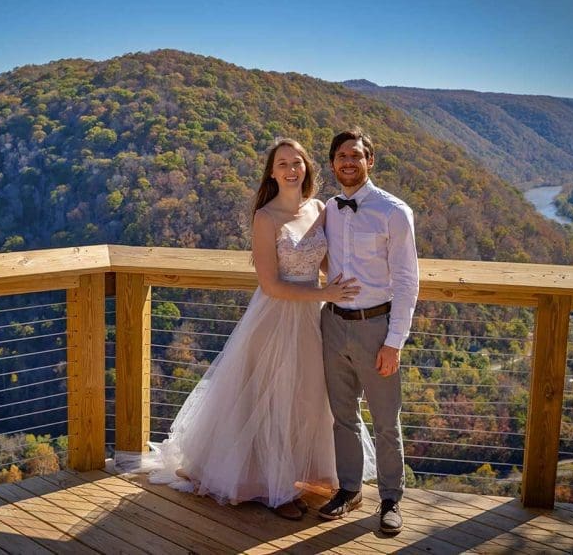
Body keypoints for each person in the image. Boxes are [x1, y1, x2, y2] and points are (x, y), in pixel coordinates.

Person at [148, 138, 375, 520]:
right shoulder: (265, 217)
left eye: (296, 162)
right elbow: (271, 284)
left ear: (307, 168)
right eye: (282, 163)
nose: (290, 169)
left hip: (314, 319)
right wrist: (326, 291)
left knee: (308, 399)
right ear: (272, 172)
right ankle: (273, 487)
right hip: (275, 318)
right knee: (271, 399)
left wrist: (359, 283)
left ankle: (304, 475)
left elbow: (322, 262)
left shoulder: (319, 208)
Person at [318, 128, 419, 534]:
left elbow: (408, 282)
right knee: (342, 416)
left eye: (356, 155)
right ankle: (349, 488)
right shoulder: (328, 206)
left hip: (376, 326)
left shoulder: (394, 212)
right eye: (341, 156)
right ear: (332, 163)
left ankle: (391, 498)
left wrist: (394, 342)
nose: (348, 162)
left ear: (370, 160)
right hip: (332, 323)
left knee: (385, 419)